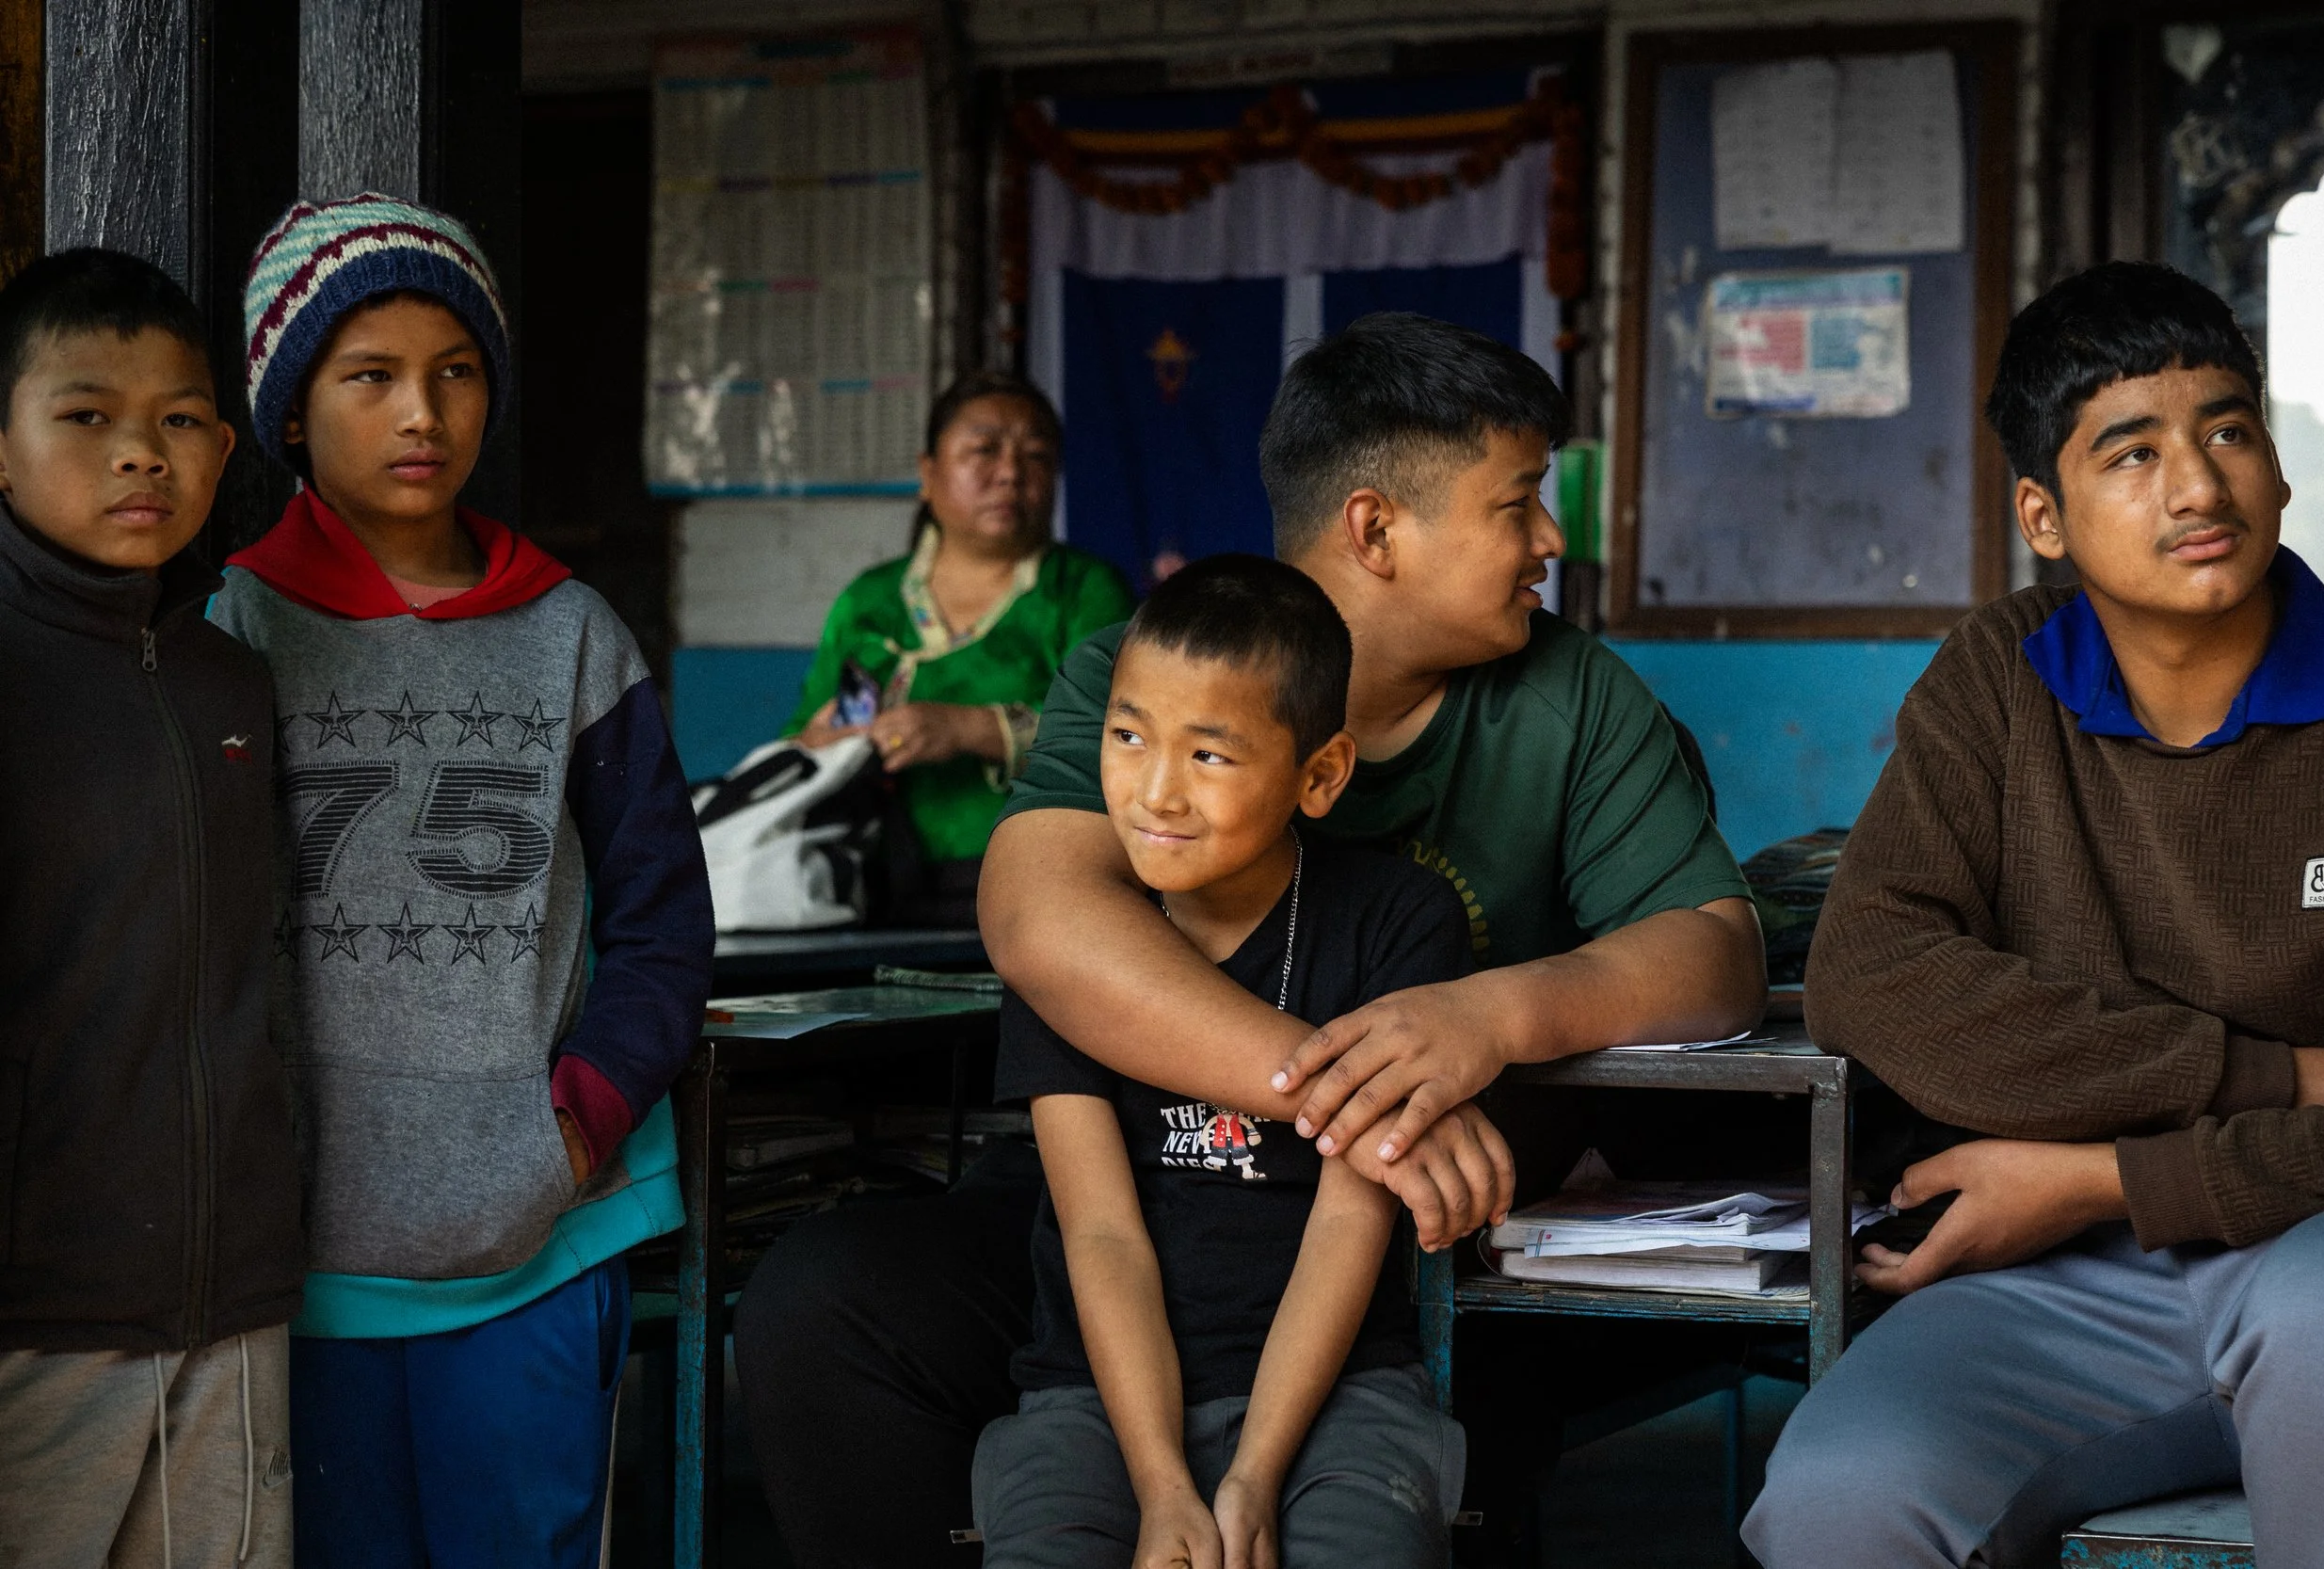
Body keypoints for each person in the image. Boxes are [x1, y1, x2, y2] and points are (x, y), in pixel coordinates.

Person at [735, 312, 1767, 1567]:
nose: (1552, 538)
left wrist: (1479, 1019)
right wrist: (1368, 1099)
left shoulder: (1572, 693)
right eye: (1520, 502)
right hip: (1152, 1202)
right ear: (1376, 527)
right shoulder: (1154, 665)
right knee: (826, 1300)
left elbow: (1714, 954)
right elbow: (1041, 916)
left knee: (1453, 1423)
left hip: (1415, 1246)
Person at [1745, 262, 2324, 1567]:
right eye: (2131, 452)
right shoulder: (2000, 678)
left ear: (2279, 466)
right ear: (2046, 513)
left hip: (2322, 1242)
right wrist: (2262, 1070)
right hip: (2068, 1278)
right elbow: (1873, 975)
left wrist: (2098, 1172)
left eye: (2228, 430)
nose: (2198, 486)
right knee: (1841, 1496)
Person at [210, 193, 714, 1566]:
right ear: (293, 412)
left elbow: (665, 923)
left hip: (539, 1241)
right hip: (307, 1264)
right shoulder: (229, 635)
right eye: (370, 376)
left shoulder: (573, 635)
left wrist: (578, 1125)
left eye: (457, 370)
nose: (420, 410)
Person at [975, 555, 1468, 1569]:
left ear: (1321, 773)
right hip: (1096, 1392)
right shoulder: (1077, 948)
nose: (1155, 790)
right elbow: (1101, 1230)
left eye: (1209, 755)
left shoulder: (1394, 922)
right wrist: (1162, 1482)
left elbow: (1348, 1218)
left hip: (1337, 1390)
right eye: (1126, 736)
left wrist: (1250, 1472)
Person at [0, 250, 305, 1565]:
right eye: (87, 416)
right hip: (34, 1312)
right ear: (0, 447)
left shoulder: (232, 682)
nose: (141, 453)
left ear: (225, 447)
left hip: (230, 1296)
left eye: (179, 420)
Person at [787, 371, 1132, 921]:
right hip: (866, 891)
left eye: (1037, 455)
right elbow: (801, 734)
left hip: (1038, 891)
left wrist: (969, 728)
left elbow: (1123, 738)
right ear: (928, 474)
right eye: (984, 451)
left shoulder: (1084, 591)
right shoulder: (869, 599)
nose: (1011, 474)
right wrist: (819, 739)